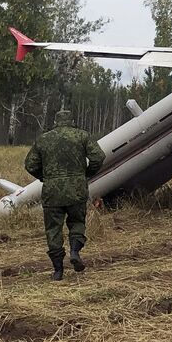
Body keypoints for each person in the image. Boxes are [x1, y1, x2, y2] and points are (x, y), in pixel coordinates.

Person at [24, 107, 105, 281]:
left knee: (53, 229)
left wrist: (45, 177)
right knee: (77, 222)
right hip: (76, 189)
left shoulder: (43, 139)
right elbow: (98, 156)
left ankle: (58, 270)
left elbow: (30, 165)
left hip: (52, 192)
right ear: (72, 121)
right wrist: (87, 173)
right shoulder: (82, 136)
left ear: (55, 122)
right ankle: (74, 251)